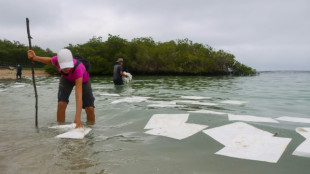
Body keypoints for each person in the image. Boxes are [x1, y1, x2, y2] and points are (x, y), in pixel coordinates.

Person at [27, 49, 95, 128]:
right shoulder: (56, 60)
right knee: (61, 104)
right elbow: (49, 61)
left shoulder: (78, 68)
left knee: (89, 108)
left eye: (68, 66)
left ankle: (91, 129)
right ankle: (60, 128)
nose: (66, 69)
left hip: (83, 80)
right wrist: (35, 57)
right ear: (59, 62)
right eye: (64, 67)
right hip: (66, 79)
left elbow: (78, 95)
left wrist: (77, 118)